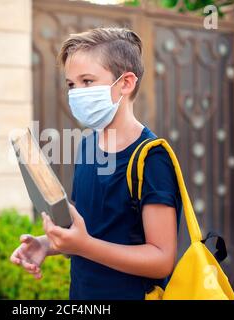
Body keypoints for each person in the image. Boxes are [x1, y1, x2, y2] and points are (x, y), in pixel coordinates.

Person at [10, 27, 182, 300]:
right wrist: (47, 244)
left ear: (125, 83)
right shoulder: (88, 145)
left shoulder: (152, 158)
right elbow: (88, 231)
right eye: (71, 84)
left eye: (87, 81)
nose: (76, 93)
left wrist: (85, 246)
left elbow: (161, 260)